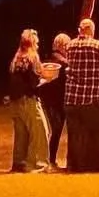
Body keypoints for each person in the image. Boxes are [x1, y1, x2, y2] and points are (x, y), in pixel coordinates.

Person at [63, 17, 99, 172]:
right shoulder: (98, 45)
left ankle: (74, 164)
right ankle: (94, 165)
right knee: (95, 133)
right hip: (90, 98)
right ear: (91, 30)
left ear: (80, 30)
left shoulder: (70, 45)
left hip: (71, 98)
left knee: (74, 134)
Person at [5, 29, 50, 173]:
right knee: (41, 131)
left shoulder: (16, 58)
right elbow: (34, 83)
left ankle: (19, 162)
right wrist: (47, 79)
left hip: (15, 102)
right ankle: (39, 163)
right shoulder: (33, 57)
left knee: (21, 134)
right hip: (29, 100)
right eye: (36, 42)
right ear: (32, 42)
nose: (38, 44)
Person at [38, 33, 70, 167]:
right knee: (56, 130)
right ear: (63, 46)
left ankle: (50, 159)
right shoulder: (63, 62)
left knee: (55, 130)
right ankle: (49, 159)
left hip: (49, 99)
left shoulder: (48, 60)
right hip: (57, 100)